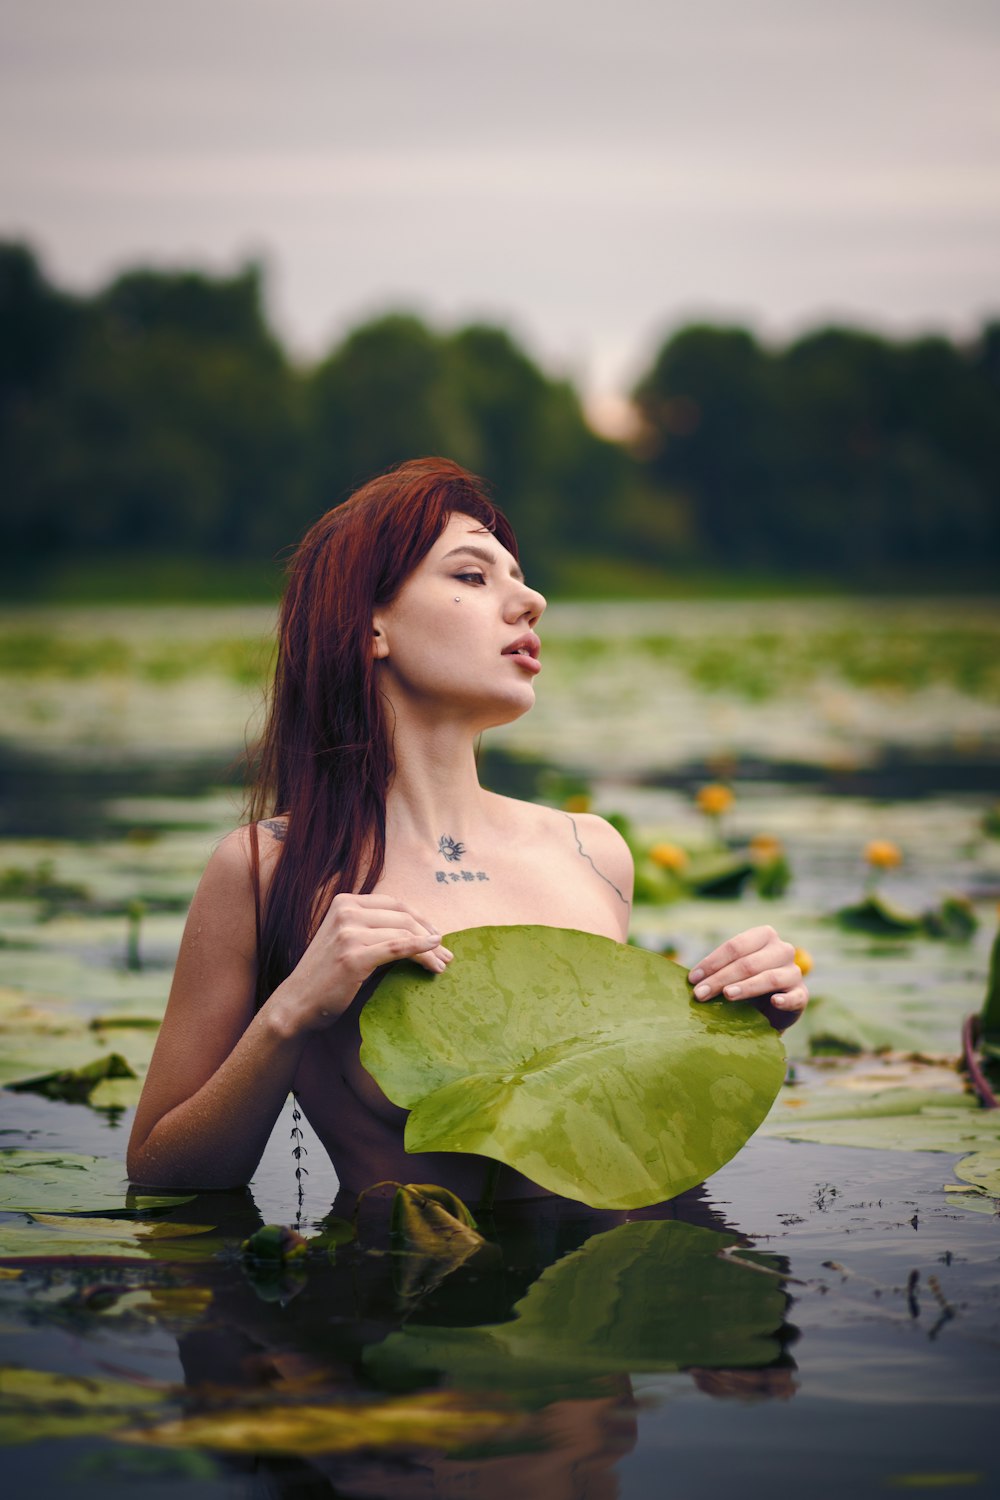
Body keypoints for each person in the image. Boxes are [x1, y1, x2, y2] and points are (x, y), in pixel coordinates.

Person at [127, 458, 808, 1198]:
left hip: (603, 1291)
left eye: (520, 577)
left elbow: (623, 1152)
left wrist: (726, 1034)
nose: (532, 602)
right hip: (402, 1297)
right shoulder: (267, 869)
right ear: (369, 627)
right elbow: (162, 1174)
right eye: (473, 577)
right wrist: (287, 1015)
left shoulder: (592, 851)